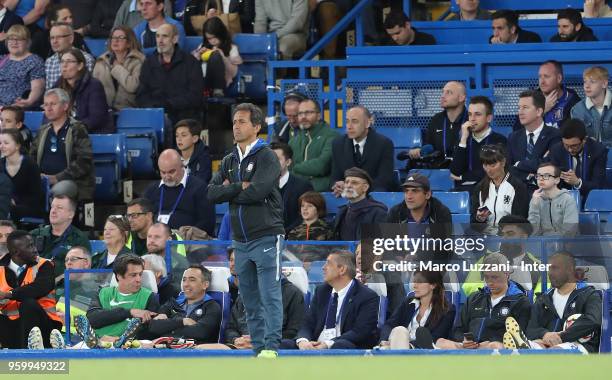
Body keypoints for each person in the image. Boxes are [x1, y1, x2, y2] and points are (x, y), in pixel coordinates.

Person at [207, 103, 286, 358]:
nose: (236, 127)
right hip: (240, 240)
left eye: (242, 122)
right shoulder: (229, 159)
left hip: (266, 235)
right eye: (234, 122)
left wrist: (231, 191)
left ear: (256, 126)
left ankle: (272, 347)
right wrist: (240, 186)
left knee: (269, 293)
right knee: (249, 297)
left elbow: (259, 191)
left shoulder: (267, 156)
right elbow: (210, 193)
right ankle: (259, 347)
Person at [506, 251, 602, 353]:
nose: (550, 273)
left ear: (569, 270)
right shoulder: (543, 299)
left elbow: (592, 321)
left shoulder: (589, 295)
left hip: (582, 346)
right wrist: (545, 334)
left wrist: (561, 336)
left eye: (555, 268)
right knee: (530, 348)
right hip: (547, 344)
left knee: (554, 351)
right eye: (549, 268)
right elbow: (531, 329)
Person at [284, 251, 379, 350]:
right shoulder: (322, 291)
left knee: (340, 345)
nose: (323, 267)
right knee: (284, 344)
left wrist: (328, 344)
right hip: (316, 344)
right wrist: (303, 340)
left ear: (342, 269)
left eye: (328, 264)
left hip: (343, 344)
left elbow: (361, 331)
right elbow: (307, 323)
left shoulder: (367, 296)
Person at [435, 253, 530, 350]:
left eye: (494, 277)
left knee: (495, 346)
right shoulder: (473, 299)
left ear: (506, 274)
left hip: (496, 347)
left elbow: (520, 337)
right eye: (486, 277)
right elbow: (457, 330)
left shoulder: (520, 301)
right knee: (440, 342)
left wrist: (488, 343)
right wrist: (464, 340)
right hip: (470, 348)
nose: (490, 282)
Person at [75, 254, 160, 348]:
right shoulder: (103, 292)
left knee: (141, 342)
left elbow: (150, 329)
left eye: (140, 274)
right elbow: (92, 319)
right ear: (119, 276)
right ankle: (95, 341)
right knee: (78, 346)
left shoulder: (150, 297)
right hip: (99, 340)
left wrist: (116, 339)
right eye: (133, 275)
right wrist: (129, 312)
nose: (139, 279)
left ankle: (121, 341)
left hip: (129, 345)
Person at [0, 230, 63, 349]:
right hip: (13, 328)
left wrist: (8, 294)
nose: (35, 249)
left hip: (46, 325)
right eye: (29, 246)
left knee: (28, 304)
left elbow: (40, 287)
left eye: (33, 244)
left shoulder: (45, 265)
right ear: (15, 252)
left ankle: (33, 349)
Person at [30, 88, 95, 201]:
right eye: (45, 105)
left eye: (53, 104)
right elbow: (32, 158)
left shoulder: (77, 129)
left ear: (65, 106)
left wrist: (57, 178)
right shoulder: (42, 131)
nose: (49, 108)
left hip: (73, 183)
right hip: (43, 181)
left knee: (59, 191)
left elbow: (84, 162)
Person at [136, 23, 203, 127]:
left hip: (184, 117)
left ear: (175, 39)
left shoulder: (191, 62)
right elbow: (141, 95)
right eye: (157, 36)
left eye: (165, 36)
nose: (160, 41)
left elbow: (195, 96)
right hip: (156, 116)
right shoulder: (149, 63)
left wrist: (169, 105)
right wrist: (157, 108)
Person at [462, 215, 543, 297]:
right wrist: (494, 289)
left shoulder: (538, 266)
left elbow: (540, 296)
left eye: (510, 234)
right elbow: (468, 287)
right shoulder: (486, 259)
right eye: (502, 234)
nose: (504, 238)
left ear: (524, 237)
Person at [144, 149, 215, 235]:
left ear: (182, 166)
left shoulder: (200, 188)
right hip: (156, 240)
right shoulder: (151, 190)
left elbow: (207, 223)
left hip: (188, 242)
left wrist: (183, 236)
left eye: (171, 172)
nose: (167, 177)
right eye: (163, 172)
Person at [380, 271, 455, 349]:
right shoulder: (408, 303)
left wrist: (410, 345)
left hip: (425, 352)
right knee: (399, 331)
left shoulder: (447, 310)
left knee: (400, 332)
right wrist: (385, 340)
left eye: (420, 282)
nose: (414, 286)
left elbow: (436, 337)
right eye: (414, 282)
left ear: (433, 285)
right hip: (397, 345)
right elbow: (389, 325)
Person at [148, 264, 221, 344]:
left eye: (192, 280)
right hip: (166, 350)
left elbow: (201, 332)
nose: (186, 284)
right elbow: (153, 327)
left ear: (205, 285)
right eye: (184, 280)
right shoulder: (173, 303)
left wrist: (166, 326)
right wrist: (182, 321)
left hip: (194, 353)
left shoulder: (212, 307)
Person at [330, 105, 395, 193]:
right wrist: (337, 185)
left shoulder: (384, 143)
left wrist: (360, 190)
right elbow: (335, 177)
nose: (349, 126)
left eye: (355, 121)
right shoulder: (338, 144)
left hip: (373, 193)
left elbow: (385, 179)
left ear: (368, 123)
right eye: (347, 121)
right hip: (348, 193)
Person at [507, 90, 562, 190]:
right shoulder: (513, 137)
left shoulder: (555, 135)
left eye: (525, 107)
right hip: (518, 192)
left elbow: (551, 165)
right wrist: (528, 176)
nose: (520, 112)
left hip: (545, 193)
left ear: (539, 111)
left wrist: (519, 164)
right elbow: (508, 168)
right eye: (519, 108)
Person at [450, 96, 507, 190]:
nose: (472, 119)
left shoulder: (499, 140)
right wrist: (463, 139)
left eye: (477, 114)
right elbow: (455, 172)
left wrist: (464, 177)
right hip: (465, 191)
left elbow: (493, 171)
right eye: (470, 114)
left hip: (491, 190)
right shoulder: (464, 140)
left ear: (488, 118)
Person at [405, 81, 467, 168]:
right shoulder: (436, 119)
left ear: (461, 98)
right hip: (438, 170)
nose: (442, 96)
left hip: (464, 171)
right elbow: (428, 145)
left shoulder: (470, 119)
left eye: (449, 92)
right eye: (443, 92)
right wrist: (418, 150)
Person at [471, 144, 529, 235]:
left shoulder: (517, 186)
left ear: (503, 162)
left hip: (508, 237)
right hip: (486, 237)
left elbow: (520, 220)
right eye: (485, 165)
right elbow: (473, 223)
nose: (489, 170)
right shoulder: (480, 188)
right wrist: (479, 219)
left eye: (493, 165)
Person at [30, 195, 91, 279]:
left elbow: (82, 273)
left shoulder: (79, 239)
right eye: (52, 207)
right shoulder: (34, 235)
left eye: (59, 208)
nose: (53, 211)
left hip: (63, 288)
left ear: (71, 214)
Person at [56, 48, 114, 134]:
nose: (64, 65)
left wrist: (70, 129)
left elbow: (96, 118)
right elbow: (49, 114)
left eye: (69, 61)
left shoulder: (94, 85)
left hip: (92, 135)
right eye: (62, 61)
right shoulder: (58, 86)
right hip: (67, 134)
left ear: (80, 66)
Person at [548, 118, 607, 200]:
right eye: (566, 145)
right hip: (563, 199)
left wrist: (577, 182)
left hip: (591, 198)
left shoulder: (598, 151)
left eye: (574, 145)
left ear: (584, 140)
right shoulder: (557, 150)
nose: (570, 149)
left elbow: (598, 185)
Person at [289, 98, 339, 192]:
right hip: (297, 193)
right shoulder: (294, 141)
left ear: (319, 115)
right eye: (300, 113)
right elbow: (286, 169)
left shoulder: (332, 136)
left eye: (308, 113)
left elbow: (322, 166)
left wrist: (295, 168)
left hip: (322, 194)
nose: (303, 116)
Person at [513, 61, 580, 130]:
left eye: (546, 76)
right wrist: (543, 109)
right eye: (540, 77)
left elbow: (574, 134)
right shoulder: (531, 99)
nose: (542, 82)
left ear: (559, 78)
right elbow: (517, 131)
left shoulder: (573, 101)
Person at [92, 26, 145, 111]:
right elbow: (93, 88)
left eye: (120, 38)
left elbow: (133, 86)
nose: (116, 41)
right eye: (113, 37)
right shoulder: (101, 61)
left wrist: (117, 67)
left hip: (129, 111)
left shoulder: (137, 61)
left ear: (129, 43)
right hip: (104, 111)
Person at [191, 17, 242, 97]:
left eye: (215, 37)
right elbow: (191, 64)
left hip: (222, 83)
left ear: (221, 34)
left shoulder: (231, 48)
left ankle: (217, 90)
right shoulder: (203, 46)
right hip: (202, 81)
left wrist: (222, 56)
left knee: (216, 55)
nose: (213, 41)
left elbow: (234, 72)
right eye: (209, 38)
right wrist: (198, 54)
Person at [333, 167, 387, 241]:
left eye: (354, 183)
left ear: (365, 187)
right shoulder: (342, 211)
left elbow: (382, 241)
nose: (348, 186)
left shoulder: (378, 211)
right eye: (346, 182)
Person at [0, 129, 43, 220]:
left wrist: (14, 201)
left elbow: (36, 196)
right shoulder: (1, 164)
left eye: (6, 143)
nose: (2, 146)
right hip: (5, 205)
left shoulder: (30, 165)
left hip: (29, 207)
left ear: (17, 145)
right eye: (0, 143)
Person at [270, 142, 312, 232]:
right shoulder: (261, 186)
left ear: (288, 162)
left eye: (277, 159)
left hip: (293, 239)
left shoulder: (303, 186)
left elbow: (305, 217)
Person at [528, 163, 579, 237]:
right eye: (538, 176)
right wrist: (534, 206)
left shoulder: (567, 200)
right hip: (542, 245)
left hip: (566, 245)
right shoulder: (536, 199)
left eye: (546, 176)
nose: (541, 179)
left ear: (557, 180)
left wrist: (550, 240)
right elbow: (533, 232)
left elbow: (570, 231)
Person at [0, 24, 44, 109]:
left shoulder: (34, 61)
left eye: (19, 39)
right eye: (11, 39)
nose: (14, 42)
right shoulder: (2, 59)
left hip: (15, 110)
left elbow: (38, 86)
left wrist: (29, 101)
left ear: (27, 42)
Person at [44, 23, 95, 91]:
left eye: (59, 37)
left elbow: (86, 91)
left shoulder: (86, 59)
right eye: (52, 38)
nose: (54, 41)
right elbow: (49, 92)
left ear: (71, 39)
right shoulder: (49, 62)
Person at [570, 66, 612, 147]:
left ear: (604, 84)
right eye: (585, 81)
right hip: (590, 155)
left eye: (592, 82)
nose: (587, 86)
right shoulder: (577, 110)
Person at [174, 119, 212, 184]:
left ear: (195, 139)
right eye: (177, 136)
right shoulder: (173, 156)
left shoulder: (204, 157)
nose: (179, 139)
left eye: (183, 135)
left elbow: (201, 183)